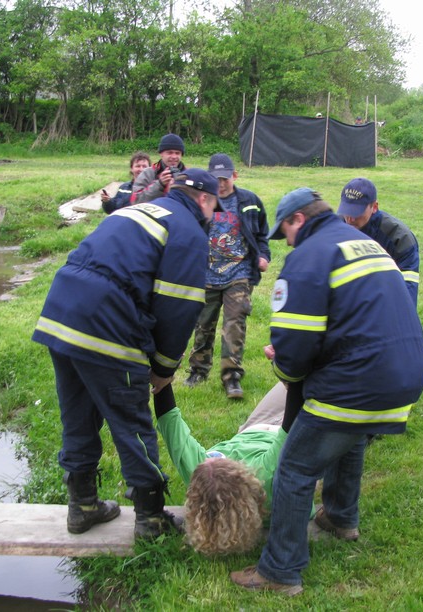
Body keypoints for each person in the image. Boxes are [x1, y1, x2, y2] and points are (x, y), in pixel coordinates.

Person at [230, 187, 423, 596]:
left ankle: (280, 570)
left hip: (362, 379)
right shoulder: (365, 243)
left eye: (284, 233)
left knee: (296, 467)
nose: (286, 243)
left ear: (298, 219)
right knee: (347, 437)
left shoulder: (309, 257)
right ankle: (340, 517)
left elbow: (295, 346)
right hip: (405, 374)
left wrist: (283, 366)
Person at [31, 168, 220, 539]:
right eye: (216, 205)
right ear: (203, 200)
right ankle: (150, 517)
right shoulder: (188, 232)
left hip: (60, 313)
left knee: (78, 414)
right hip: (106, 323)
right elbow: (179, 306)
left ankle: (82, 506)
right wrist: (164, 367)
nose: (215, 214)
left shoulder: (138, 209)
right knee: (131, 419)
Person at [153, 380, 302, 555]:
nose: (208, 461)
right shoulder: (267, 476)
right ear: (244, 483)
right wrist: (291, 374)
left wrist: (163, 372)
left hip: (255, 426)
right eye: (220, 469)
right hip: (292, 428)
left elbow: (169, 420)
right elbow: (292, 419)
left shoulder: (199, 472)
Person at [183, 153, 271, 399]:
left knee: (234, 324)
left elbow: (263, 234)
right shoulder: (201, 202)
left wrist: (263, 256)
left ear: (234, 175)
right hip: (206, 274)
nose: (221, 183)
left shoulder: (249, 201)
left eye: (225, 178)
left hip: (239, 273)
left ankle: (231, 377)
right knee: (203, 325)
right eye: (216, 179)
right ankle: (198, 370)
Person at [337, 177, 420, 306]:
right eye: (347, 210)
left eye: (356, 212)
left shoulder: (400, 239)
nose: (350, 218)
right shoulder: (335, 227)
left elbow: (407, 296)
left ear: (374, 207)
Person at [131, 133, 186, 204]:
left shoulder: (188, 174)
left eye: (177, 153)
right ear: (161, 154)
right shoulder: (148, 173)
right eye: (169, 153)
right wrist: (160, 184)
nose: (174, 156)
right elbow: (135, 201)